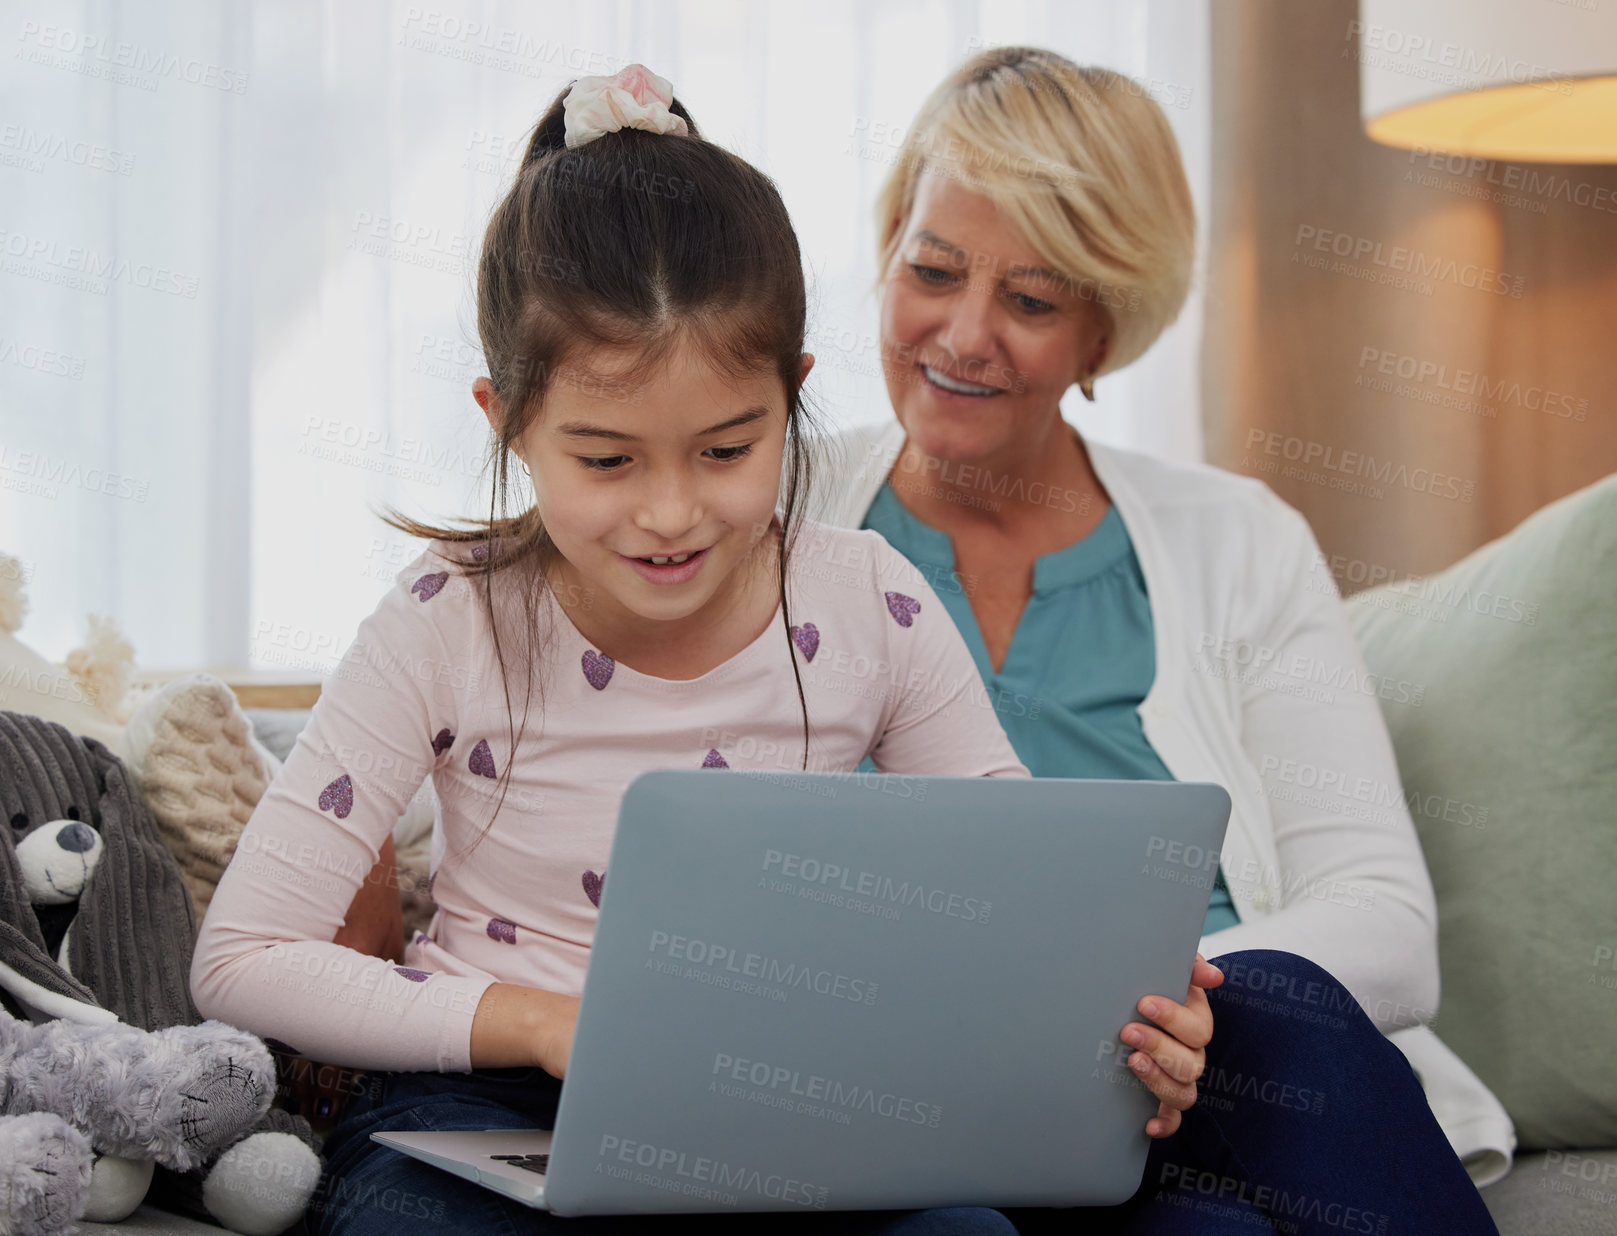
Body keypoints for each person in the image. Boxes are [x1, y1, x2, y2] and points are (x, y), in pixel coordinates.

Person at [189, 65, 1219, 1236]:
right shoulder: (446, 618)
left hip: (786, 1112)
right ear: (506, 420)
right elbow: (243, 958)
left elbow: (1027, 916)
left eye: (728, 450)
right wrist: (534, 1021)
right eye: (608, 460)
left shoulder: (868, 604)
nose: (671, 513)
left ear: (793, 398)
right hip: (487, 1103)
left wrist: (1129, 1031)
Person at [806, 47, 1505, 1233]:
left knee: (1289, 1014)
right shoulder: (754, 502)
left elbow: (1387, 927)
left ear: (1102, 331)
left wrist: (1117, 982)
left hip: (1186, 1089)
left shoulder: (1237, 540)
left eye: (1030, 302)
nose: (963, 335)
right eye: (931, 270)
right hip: (895, 1086)